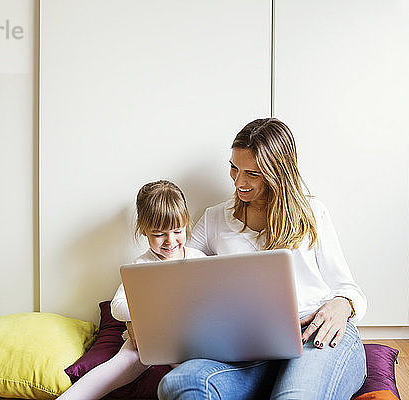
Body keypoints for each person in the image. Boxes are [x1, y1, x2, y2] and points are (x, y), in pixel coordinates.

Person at [157, 118, 368, 400]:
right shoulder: (214, 219)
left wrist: (342, 305)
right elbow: (179, 283)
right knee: (179, 384)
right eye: (234, 168)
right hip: (244, 350)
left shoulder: (312, 213)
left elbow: (349, 289)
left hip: (313, 336)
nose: (239, 181)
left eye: (252, 174)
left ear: (278, 173)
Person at [57, 180, 205, 400]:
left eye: (177, 231)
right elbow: (117, 307)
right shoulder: (141, 266)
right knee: (118, 365)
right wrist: (153, 312)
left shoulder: (198, 260)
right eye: (159, 234)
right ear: (143, 230)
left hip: (187, 339)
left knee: (195, 370)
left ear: (187, 225)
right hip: (144, 341)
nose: (170, 241)